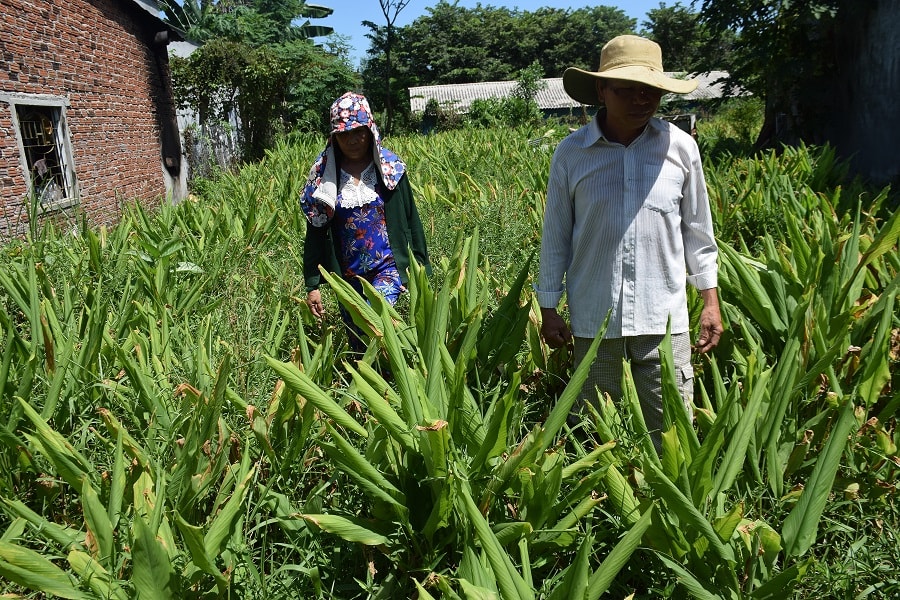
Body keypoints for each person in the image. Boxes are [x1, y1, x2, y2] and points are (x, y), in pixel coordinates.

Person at [534, 35, 723, 449]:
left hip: (664, 315)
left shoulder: (680, 148)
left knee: (672, 430)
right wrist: (548, 307)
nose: (642, 100)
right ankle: (606, 505)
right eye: (627, 91)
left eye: (651, 91)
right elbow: (556, 235)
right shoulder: (571, 154)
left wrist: (710, 301)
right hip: (593, 315)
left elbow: (697, 230)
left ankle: (666, 505)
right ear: (601, 90)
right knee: (595, 430)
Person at [300, 92, 431, 349]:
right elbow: (315, 231)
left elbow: (411, 220)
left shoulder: (392, 170)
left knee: (376, 322)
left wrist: (420, 265)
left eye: (358, 131)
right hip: (347, 274)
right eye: (344, 134)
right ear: (334, 136)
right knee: (358, 340)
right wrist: (312, 284)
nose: (352, 139)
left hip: (388, 267)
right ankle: (374, 382)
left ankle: (399, 374)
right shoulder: (323, 178)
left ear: (370, 129)